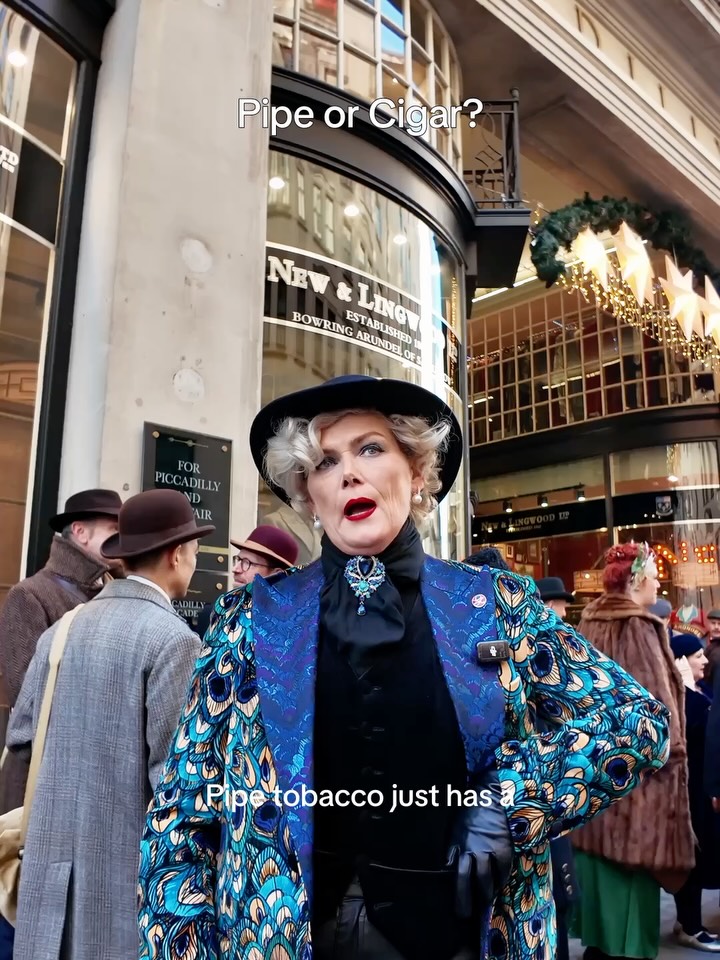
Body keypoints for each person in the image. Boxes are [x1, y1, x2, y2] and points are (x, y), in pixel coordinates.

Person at [138, 375, 671, 960]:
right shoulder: (250, 621)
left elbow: (635, 721)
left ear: (416, 471)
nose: (347, 473)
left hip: (463, 936)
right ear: (308, 493)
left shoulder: (497, 607)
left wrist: (509, 801)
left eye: (371, 448)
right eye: (323, 462)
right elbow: (182, 814)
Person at [4, 489, 214, 960]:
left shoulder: (64, 628)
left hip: (46, 872)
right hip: (122, 881)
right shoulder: (174, 641)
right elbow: (175, 782)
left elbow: (20, 735)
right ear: (177, 555)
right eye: (196, 552)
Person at [570, 542, 695, 960]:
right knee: (632, 930)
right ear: (636, 579)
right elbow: (656, 725)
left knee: (600, 928)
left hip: (594, 789)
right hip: (638, 798)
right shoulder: (639, 627)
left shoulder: (587, 623)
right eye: (655, 573)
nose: (660, 579)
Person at [0, 488, 122, 820]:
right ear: (80, 532)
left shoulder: (112, 593)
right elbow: (27, 698)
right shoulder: (29, 596)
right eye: (114, 530)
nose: (122, 540)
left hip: (94, 781)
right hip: (40, 782)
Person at [668, 633, 720, 951]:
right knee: (693, 858)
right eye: (696, 656)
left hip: (701, 785)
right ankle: (690, 925)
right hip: (689, 789)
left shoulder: (700, 691)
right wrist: (683, 685)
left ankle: (687, 920)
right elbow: (688, 724)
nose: (703, 660)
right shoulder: (682, 697)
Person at [193, 525, 300, 637]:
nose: (235, 569)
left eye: (247, 563)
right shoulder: (213, 616)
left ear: (277, 575)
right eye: (238, 560)